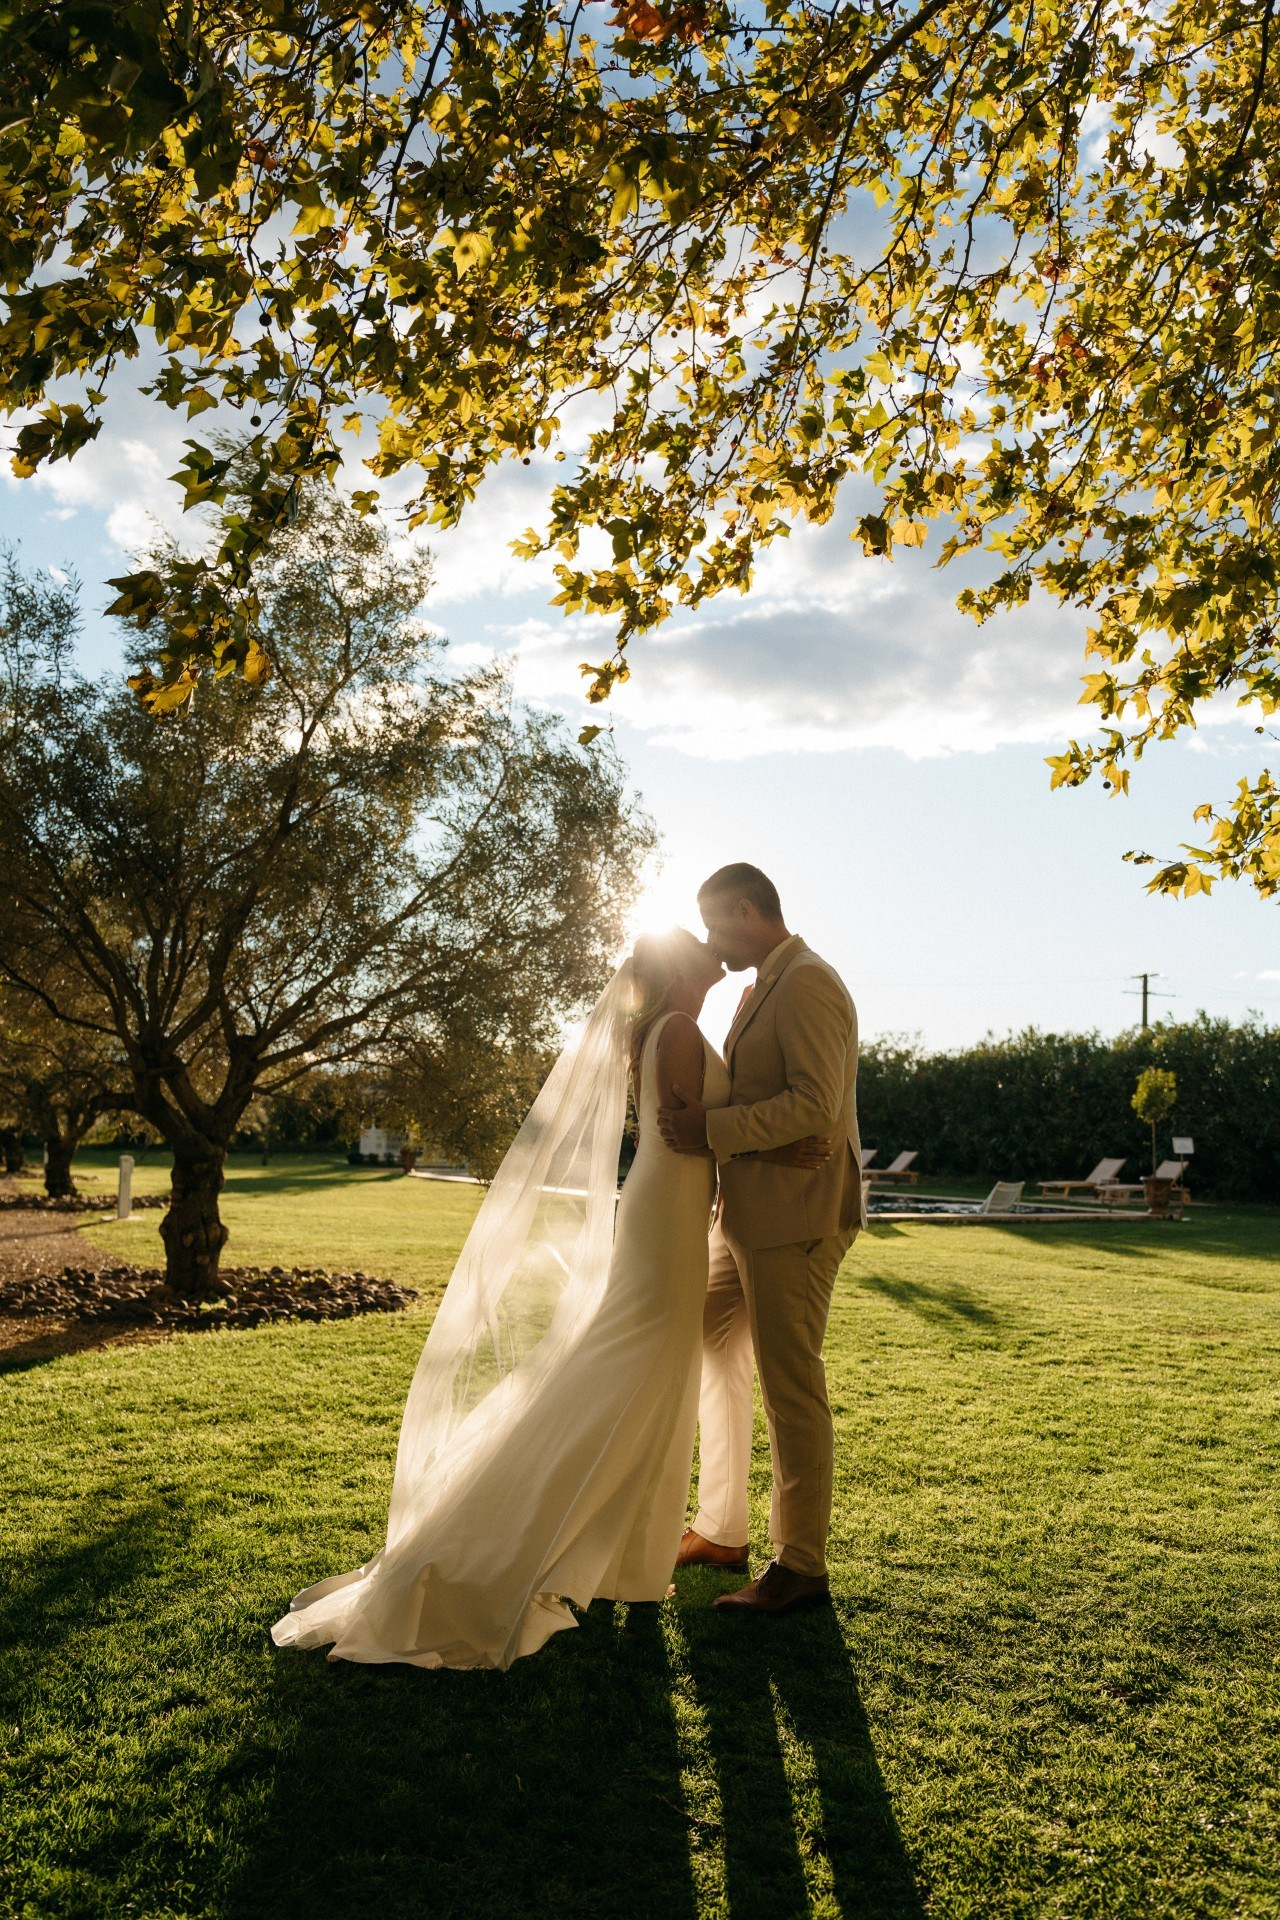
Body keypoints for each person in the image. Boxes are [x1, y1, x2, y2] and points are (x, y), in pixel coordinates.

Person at [272, 928, 737, 1672]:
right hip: (668, 1209)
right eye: (699, 943)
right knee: (640, 1366)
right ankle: (552, 1544)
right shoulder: (679, 1029)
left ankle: (631, 1566)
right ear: (680, 967)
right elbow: (690, 1131)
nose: (715, 950)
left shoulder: (673, 1028)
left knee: (652, 1372)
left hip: (672, 1208)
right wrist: (773, 1130)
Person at [658, 862, 864, 1617]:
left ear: (748, 911)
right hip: (742, 1217)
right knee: (710, 1346)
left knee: (790, 1388)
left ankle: (801, 1566)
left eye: (716, 925)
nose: (712, 941)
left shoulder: (807, 981)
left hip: (797, 1219)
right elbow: (766, 1100)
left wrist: (708, 1132)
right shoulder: (758, 986)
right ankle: (722, 1527)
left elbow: (814, 1103)